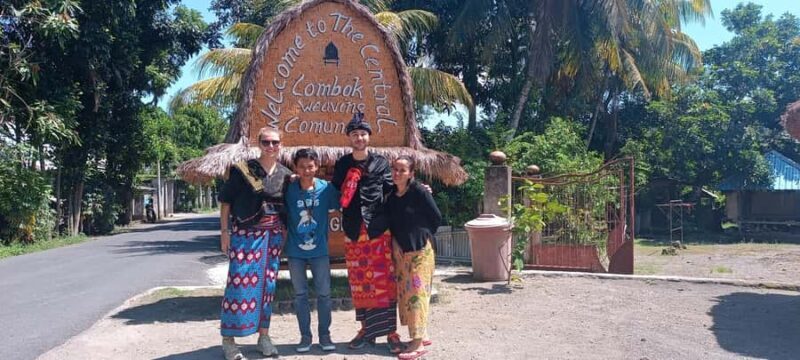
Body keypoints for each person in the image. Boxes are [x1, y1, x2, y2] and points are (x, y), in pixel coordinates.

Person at [332, 112, 404, 353]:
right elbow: (334, 191)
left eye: (363, 134)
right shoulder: (342, 164)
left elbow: (392, 190)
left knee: (385, 281)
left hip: (377, 229)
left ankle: (391, 332)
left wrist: (415, 190)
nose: (359, 138)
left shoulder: (381, 162)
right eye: (355, 134)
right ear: (349, 138)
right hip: (353, 229)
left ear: (369, 137)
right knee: (360, 282)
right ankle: (366, 330)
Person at [218, 127, 292, 360]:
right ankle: (229, 341)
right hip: (245, 235)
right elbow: (226, 202)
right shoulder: (243, 170)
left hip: (273, 237)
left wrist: (284, 238)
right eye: (266, 142)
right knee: (238, 285)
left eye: (275, 142)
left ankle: (264, 336)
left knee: (267, 288)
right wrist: (224, 232)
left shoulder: (285, 174)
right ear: (258, 143)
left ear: (281, 144)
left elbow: (286, 209)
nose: (271, 146)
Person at [386, 155, 442, 360]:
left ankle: (416, 344)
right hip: (401, 252)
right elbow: (392, 224)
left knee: (417, 295)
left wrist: (422, 235)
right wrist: (395, 244)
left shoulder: (418, 191)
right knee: (405, 295)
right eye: (394, 169)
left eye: (402, 170)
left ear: (411, 174)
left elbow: (436, 217)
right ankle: (421, 334)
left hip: (420, 251)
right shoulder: (391, 196)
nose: (397, 173)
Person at [284, 148, 340, 353]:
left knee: (324, 294)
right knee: (300, 295)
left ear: (317, 167)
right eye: (302, 167)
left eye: (310, 166)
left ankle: (325, 335)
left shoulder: (327, 189)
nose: (306, 171)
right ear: (295, 168)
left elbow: (346, 201)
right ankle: (305, 337)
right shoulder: (288, 188)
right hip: (295, 251)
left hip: (320, 251)